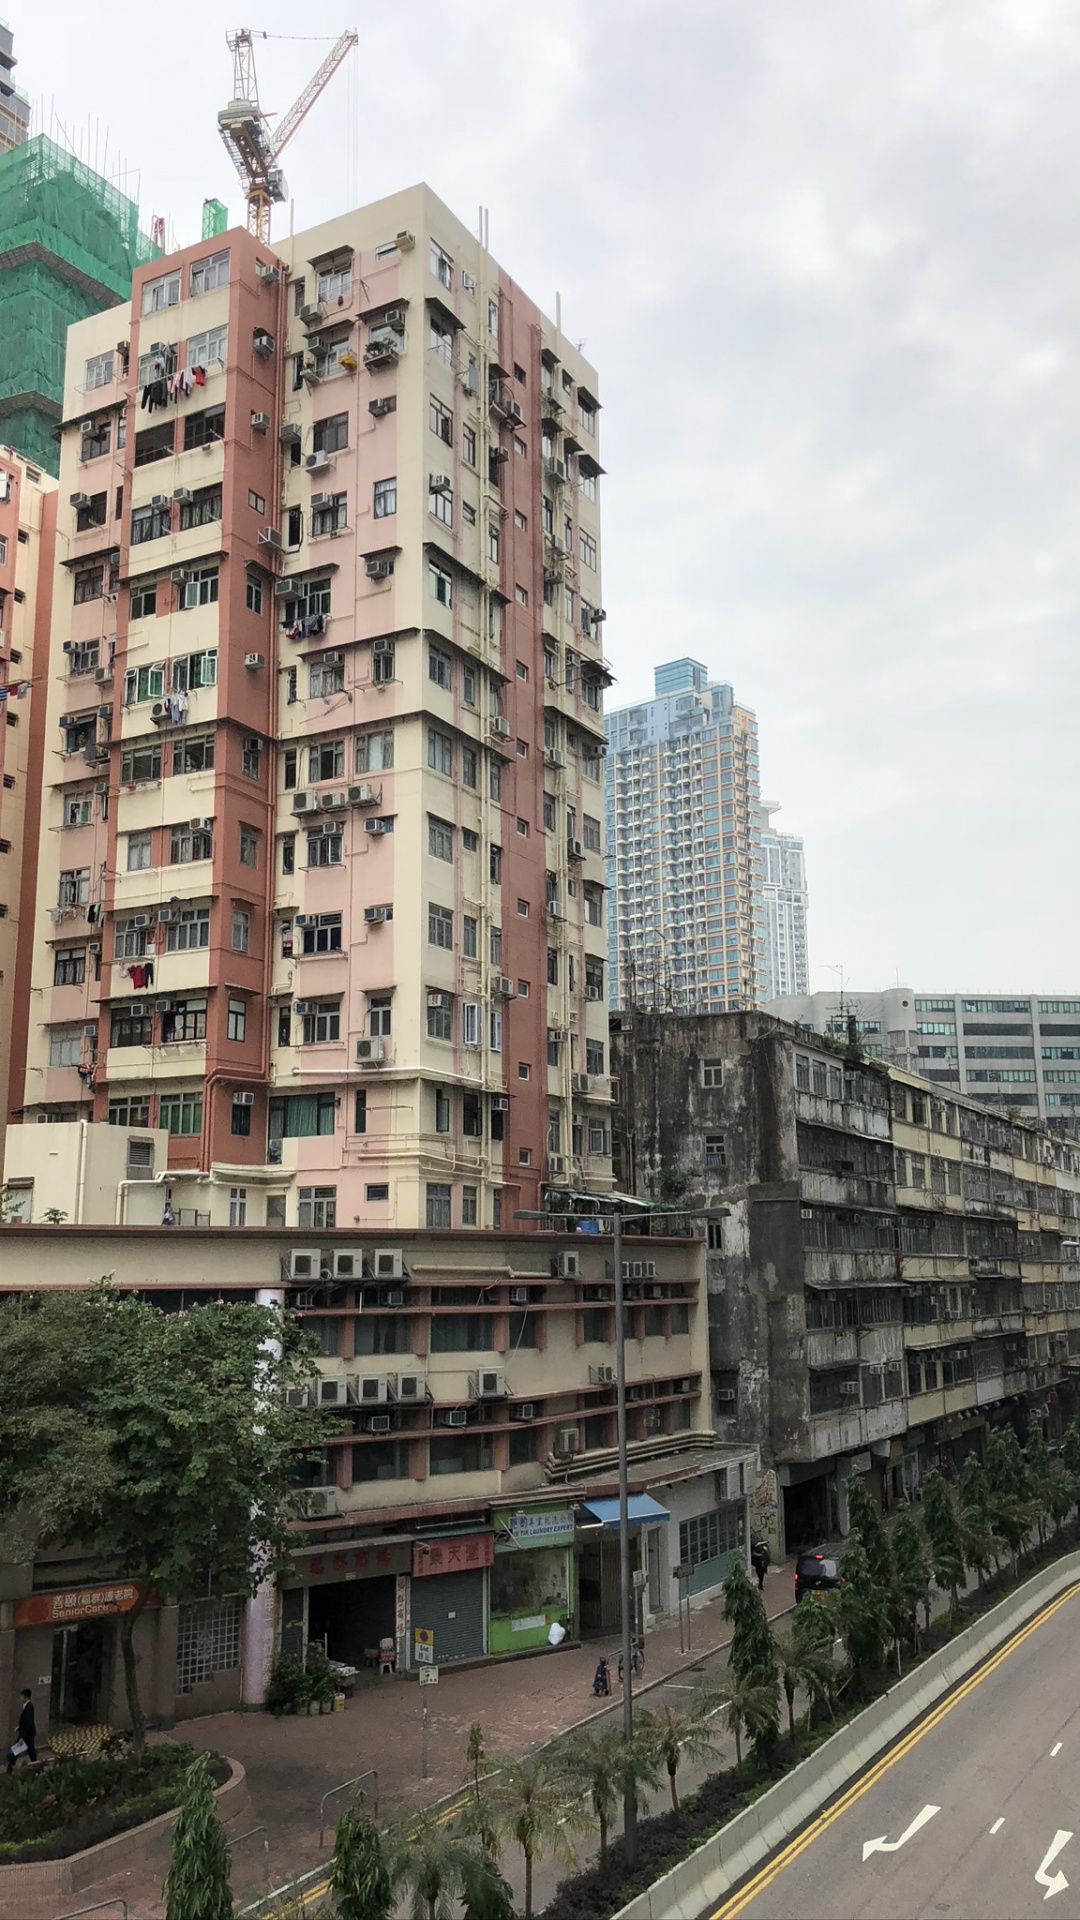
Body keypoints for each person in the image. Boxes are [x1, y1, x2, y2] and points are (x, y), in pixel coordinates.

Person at [6, 1689, 35, 1772]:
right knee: (29, 1751)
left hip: (27, 1734)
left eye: (22, 1696)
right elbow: (25, 1721)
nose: (20, 1698)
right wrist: (19, 1727)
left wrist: (22, 1737)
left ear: (26, 1697)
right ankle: (10, 1767)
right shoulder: (26, 1706)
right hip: (26, 1733)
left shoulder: (29, 1707)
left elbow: (29, 1723)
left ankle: (10, 1768)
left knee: (19, 1750)